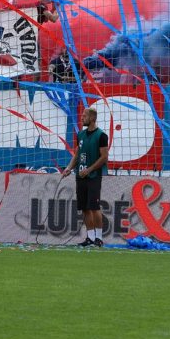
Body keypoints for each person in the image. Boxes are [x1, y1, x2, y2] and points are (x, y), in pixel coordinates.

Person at [61, 106, 109, 247]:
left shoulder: (101, 135)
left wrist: (89, 170)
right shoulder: (81, 134)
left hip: (94, 176)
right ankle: (90, 238)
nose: (82, 118)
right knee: (84, 208)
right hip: (80, 176)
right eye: (82, 115)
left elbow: (104, 157)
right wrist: (69, 168)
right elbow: (77, 155)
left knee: (94, 207)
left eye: (85, 116)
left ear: (92, 118)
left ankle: (99, 238)